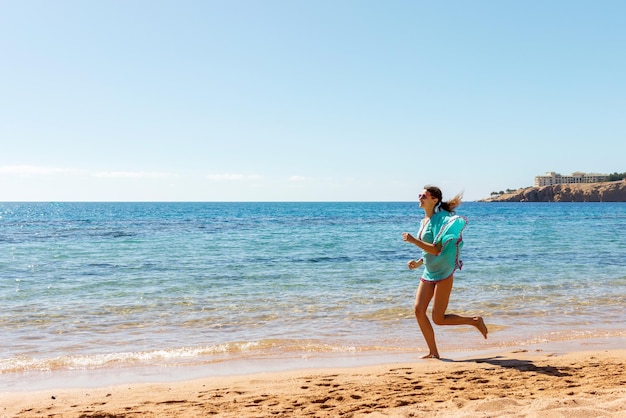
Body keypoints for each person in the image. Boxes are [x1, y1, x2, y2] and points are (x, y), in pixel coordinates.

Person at [402, 185, 488, 359]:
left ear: (434, 200)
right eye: (420, 195)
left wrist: (412, 240)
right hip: (429, 271)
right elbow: (428, 251)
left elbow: (436, 249)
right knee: (419, 311)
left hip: (443, 272)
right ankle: (433, 352)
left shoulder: (441, 218)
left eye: (423, 195)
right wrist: (418, 262)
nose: (420, 198)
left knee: (438, 318)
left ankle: (474, 321)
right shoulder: (424, 220)